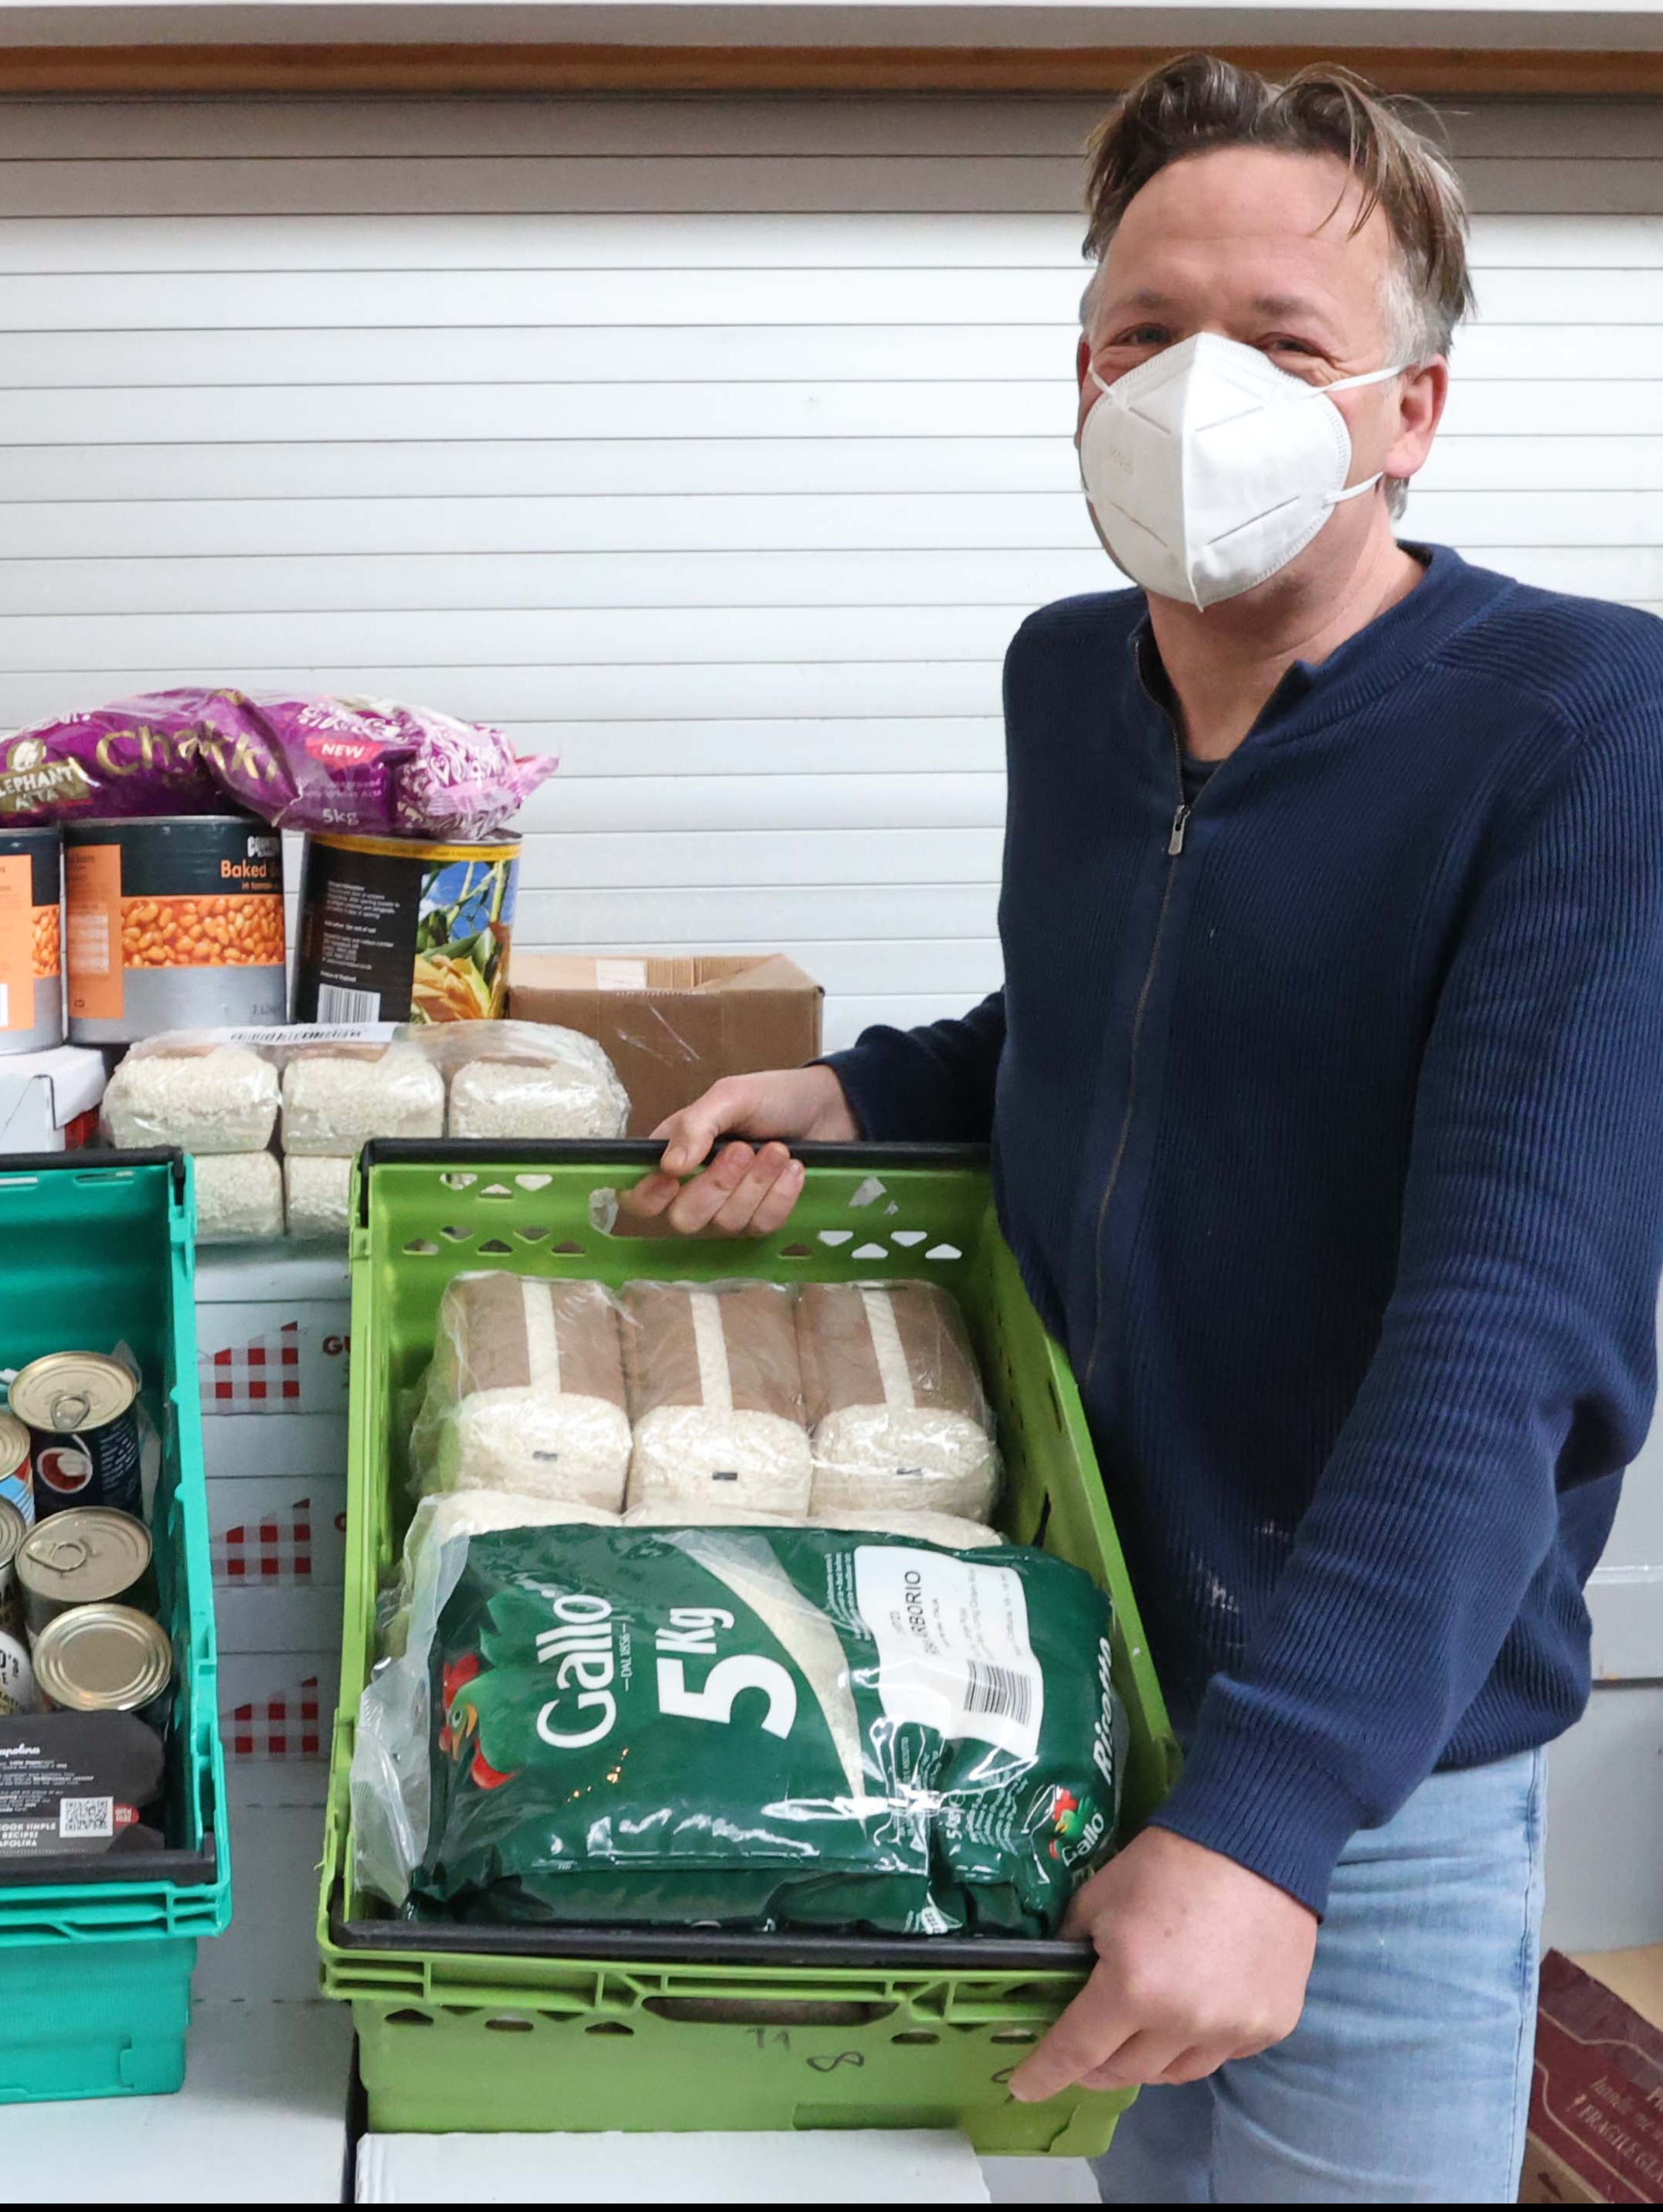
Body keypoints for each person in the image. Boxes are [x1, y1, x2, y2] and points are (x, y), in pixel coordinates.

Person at [633, 56, 1663, 2202]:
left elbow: (1515, 1314)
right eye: (1144, 334)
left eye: (1284, 343)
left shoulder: (1585, 721)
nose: (1199, 388)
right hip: (1057, 1665)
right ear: (1080, 369)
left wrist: (1267, 1814)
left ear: (1411, 410)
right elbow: (1119, 1007)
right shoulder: (1066, 679)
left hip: (1364, 1759)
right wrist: (876, 1085)